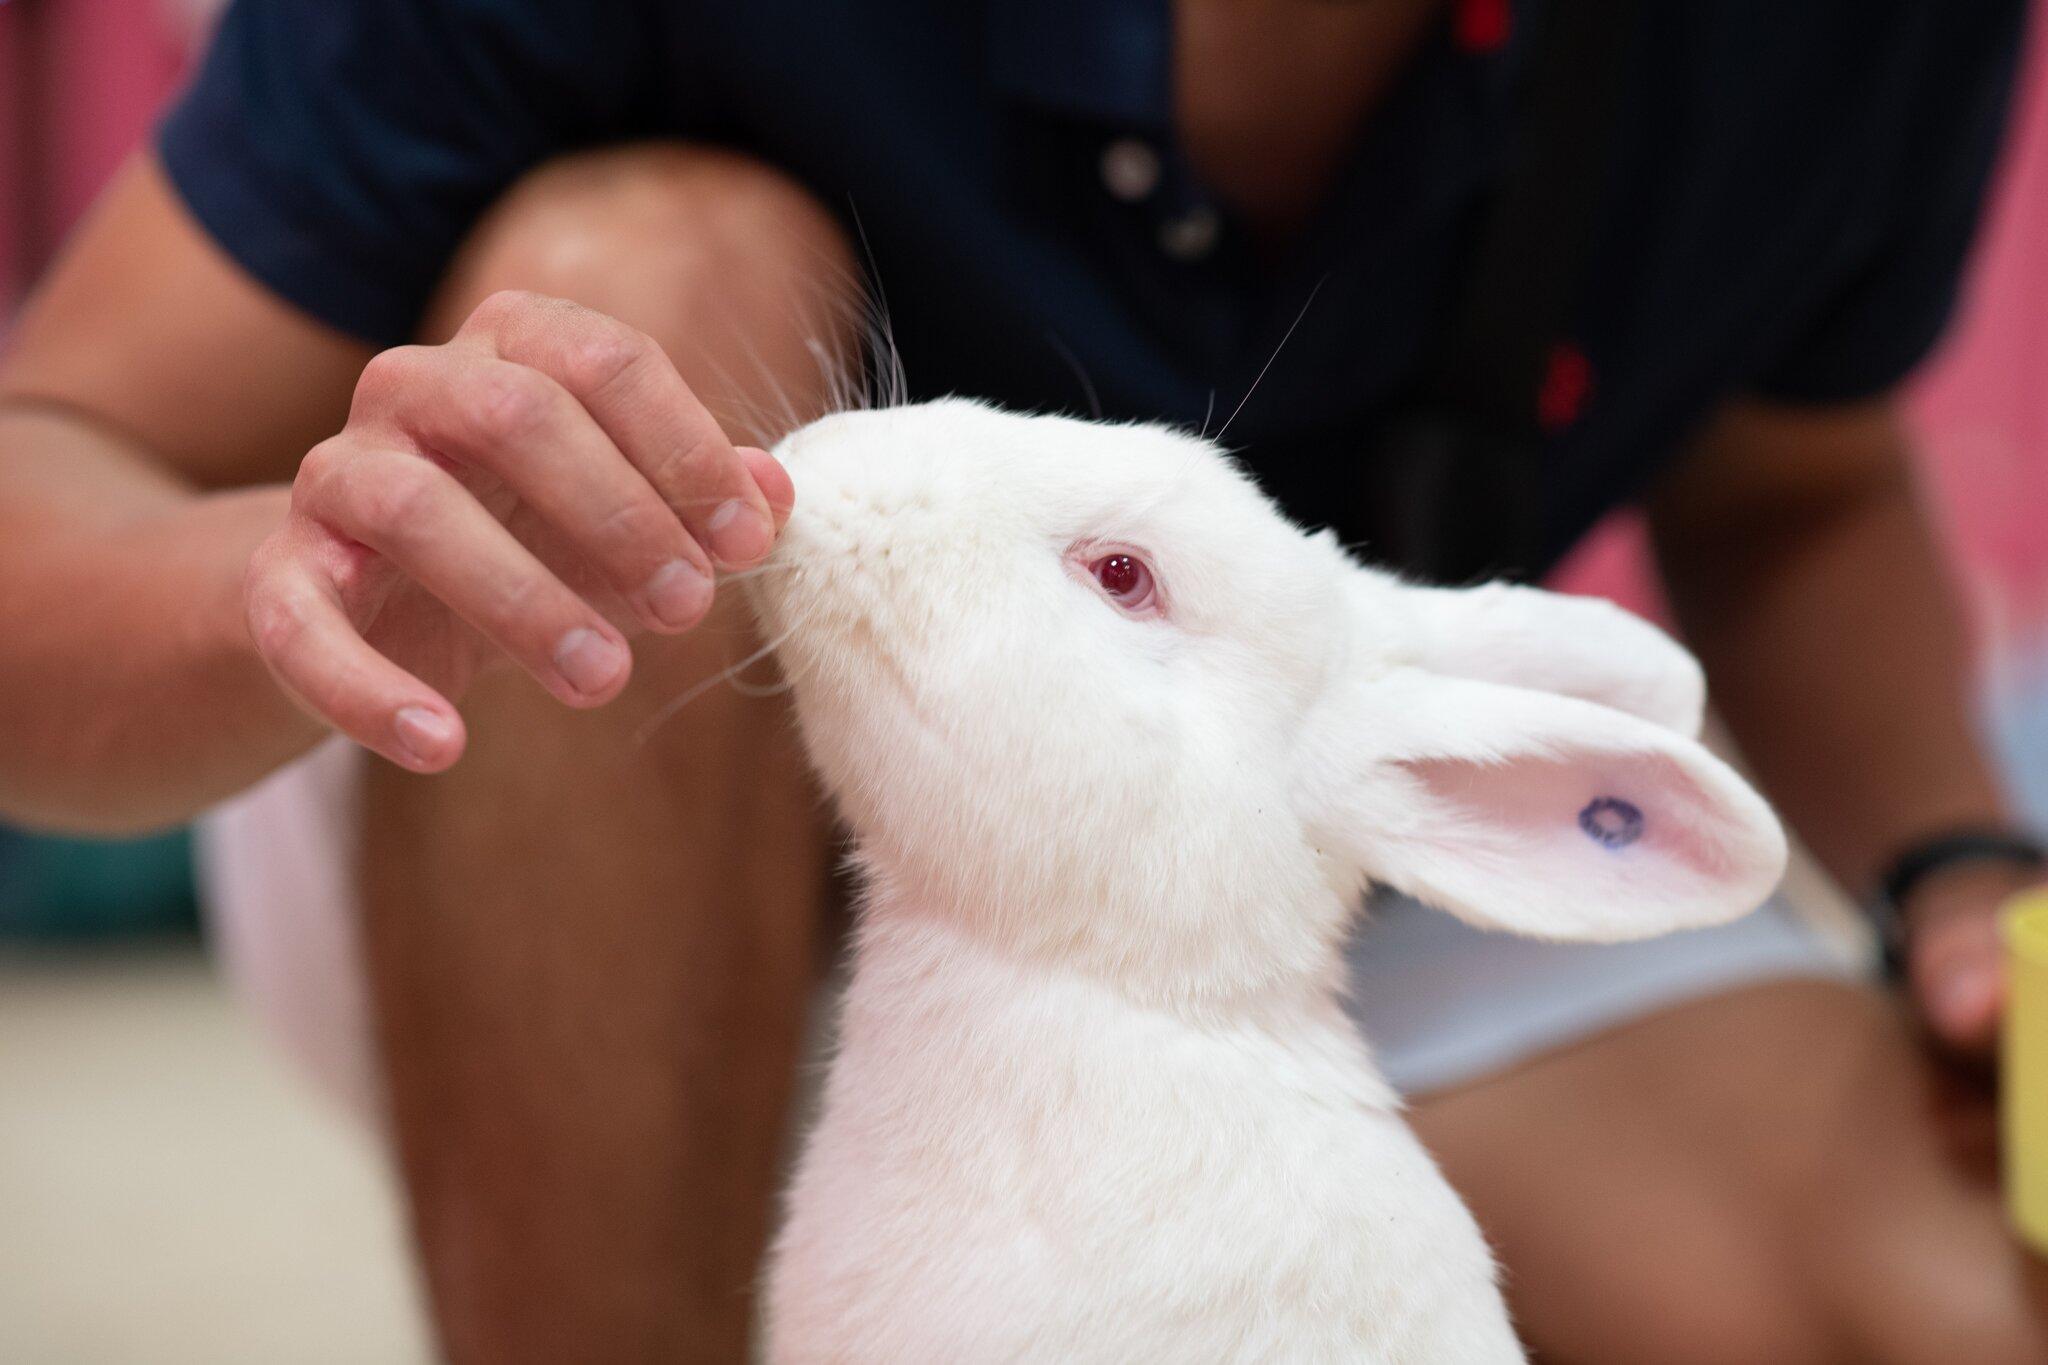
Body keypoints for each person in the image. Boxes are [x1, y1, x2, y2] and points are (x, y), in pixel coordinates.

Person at [1, 0, 2042, 1359]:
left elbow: (1792, 490)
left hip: (1249, 861)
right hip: (536, 769)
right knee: (642, 272)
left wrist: (1960, 863)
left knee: (1918, 1296)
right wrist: (293, 581)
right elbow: (49, 472)